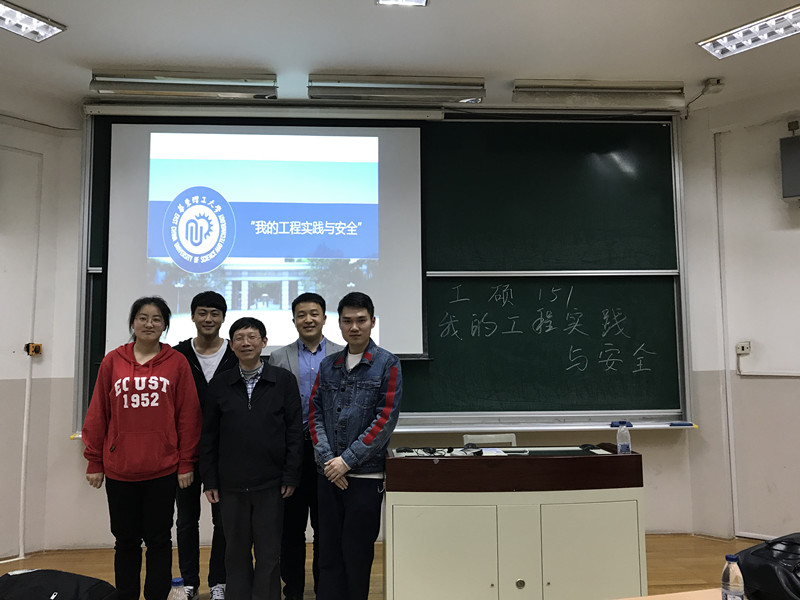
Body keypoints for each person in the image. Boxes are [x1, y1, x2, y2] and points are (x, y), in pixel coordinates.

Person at [82, 296, 201, 600]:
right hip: (120, 470)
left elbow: (188, 416)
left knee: (159, 541)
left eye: (157, 319)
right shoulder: (112, 361)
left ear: (165, 325)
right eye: (143, 318)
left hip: (162, 469)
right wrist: (94, 460)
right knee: (125, 541)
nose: (149, 324)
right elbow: (98, 412)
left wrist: (186, 462)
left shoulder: (177, 362)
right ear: (133, 322)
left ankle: (157, 596)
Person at [201, 317, 304, 600]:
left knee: (269, 553)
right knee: (235, 552)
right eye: (239, 338)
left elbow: (294, 431)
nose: (246, 343)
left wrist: (291, 474)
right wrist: (210, 479)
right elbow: (208, 436)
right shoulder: (220, 384)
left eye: (252, 337)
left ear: (264, 342)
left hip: (271, 483)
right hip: (230, 484)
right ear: (231, 345)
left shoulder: (282, 381)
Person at [309, 292, 402, 600]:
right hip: (328, 474)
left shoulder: (387, 364)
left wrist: (346, 461)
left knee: (357, 555)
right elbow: (315, 414)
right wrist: (329, 460)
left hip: (365, 476)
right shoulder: (328, 365)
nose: (354, 327)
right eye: (347, 321)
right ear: (338, 324)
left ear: (372, 322)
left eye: (361, 320)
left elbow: (385, 419)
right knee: (328, 555)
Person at [268, 292, 344, 600]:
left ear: (324, 318)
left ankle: (325, 589)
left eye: (314, 313)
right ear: (294, 320)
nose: (308, 319)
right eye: (301, 314)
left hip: (330, 454)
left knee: (326, 529)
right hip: (292, 453)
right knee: (291, 530)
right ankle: (294, 591)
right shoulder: (278, 357)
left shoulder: (342, 354)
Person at [174, 291, 238, 600]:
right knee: (186, 521)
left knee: (222, 522)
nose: (208, 319)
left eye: (215, 313)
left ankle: (218, 583)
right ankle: (188, 582)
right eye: (202, 313)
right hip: (186, 452)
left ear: (223, 317)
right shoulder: (178, 355)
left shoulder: (236, 353)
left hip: (226, 454)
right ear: (193, 316)